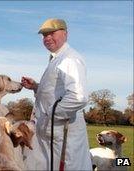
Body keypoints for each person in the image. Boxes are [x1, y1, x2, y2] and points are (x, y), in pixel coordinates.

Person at [22, 18, 92, 170]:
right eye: (44, 35)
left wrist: (51, 115)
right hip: (52, 133)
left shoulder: (70, 59)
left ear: (65, 34)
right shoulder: (57, 58)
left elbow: (78, 97)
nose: (47, 38)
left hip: (63, 133)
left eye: (52, 33)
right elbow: (56, 93)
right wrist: (36, 87)